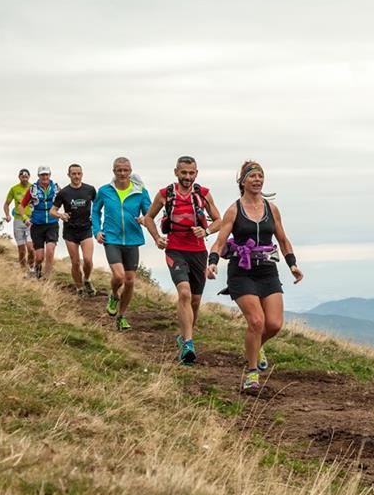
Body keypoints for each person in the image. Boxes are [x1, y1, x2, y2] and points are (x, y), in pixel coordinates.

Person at [206, 160, 303, 393]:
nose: (257, 180)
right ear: (243, 181)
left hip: (268, 270)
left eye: (260, 176)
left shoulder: (272, 209)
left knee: (274, 324)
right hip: (241, 271)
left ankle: (256, 347)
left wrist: (293, 265)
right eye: (252, 176)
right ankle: (251, 374)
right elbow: (220, 242)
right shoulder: (234, 209)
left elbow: (282, 239)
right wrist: (212, 263)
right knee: (256, 322)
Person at [144, 155, 222, 363]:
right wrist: (157, 238)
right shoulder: (164, 194)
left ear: (196, 173)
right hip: (175, 249)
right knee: (185, 293)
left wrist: (205, 232)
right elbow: (149, 218)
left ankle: (185, 337)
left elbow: (219, 221)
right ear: (176, 172)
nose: (187, 177)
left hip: (198, 252)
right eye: (184, 173)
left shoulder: (203, 194)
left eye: (191, 173)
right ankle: (188, 343)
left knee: (195, 301)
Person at [91, 157, 151, 331]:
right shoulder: (104, 191)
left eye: (125, 170)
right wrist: (97, 231)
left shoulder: (140, 191)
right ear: (114, 171)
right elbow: (95, 211)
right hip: (112, 239)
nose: (122, 173)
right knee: (119, 276)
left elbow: (149, 214)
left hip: (133, 240)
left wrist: (144, 219)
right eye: (119, 170)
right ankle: (114, 295)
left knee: (130, 281)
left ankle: (121, 316)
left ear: (130, 171)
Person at [50, 164, 97, 296]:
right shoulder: (63, 192)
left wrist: (97, 219)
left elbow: (99, 205)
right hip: (70, 230)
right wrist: (61, 215)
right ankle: (79, 288)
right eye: (73, 174)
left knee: (87, 259)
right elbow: (52, 211)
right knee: (75, 262)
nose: (76, 176)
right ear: (69, 175)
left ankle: (87, 279)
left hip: (86, 229)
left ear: (82, 174)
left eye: (78, 173)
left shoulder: (90, 189)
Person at [19, 166, 60, 279]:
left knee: (50, 251)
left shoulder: (56, 188)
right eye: (42, 175)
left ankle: (46, 278)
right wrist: (25, 218)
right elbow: (21, 205)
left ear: (50, 175)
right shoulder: (33, 189)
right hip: (37, 225)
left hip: (52, 224)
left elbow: (65, 200)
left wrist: (64, 214)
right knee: (39, 257)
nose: (45, 177)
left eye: (47, 174)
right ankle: (37, 270)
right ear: (38, 176)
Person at [2, 168, 35, 271]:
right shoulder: (14, 189)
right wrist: (7, 215)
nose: (24, 178)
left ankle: (31, 268)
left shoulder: (33, 188)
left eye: (26, 177)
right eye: (22, 177)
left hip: (31, 220)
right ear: (19, 177)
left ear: (29, 177)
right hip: (18, 221)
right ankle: (23, 271)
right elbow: (6, 204)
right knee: (21, 251)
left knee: (30, 248)